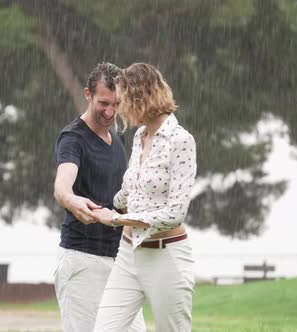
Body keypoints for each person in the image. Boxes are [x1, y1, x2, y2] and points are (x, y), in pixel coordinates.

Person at [93, 63, 197, 332]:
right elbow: (130, 192)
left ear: (139, 97)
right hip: (128, 255)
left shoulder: (181, 141)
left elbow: (175, 212)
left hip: (167, 258)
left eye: (123, 100)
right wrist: (93, 201)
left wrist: (117, 219)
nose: (118, 108)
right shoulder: (139, 136)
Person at [53, 62, 146, 332]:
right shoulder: (73, 138)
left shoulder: (118, 137)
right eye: (103, 103)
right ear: (88, 94)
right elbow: (62, 187)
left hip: (118, 261)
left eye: (116, 104)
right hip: (82, 261)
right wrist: (72, 200)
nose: (110, 111)